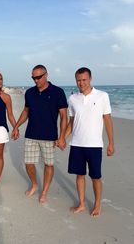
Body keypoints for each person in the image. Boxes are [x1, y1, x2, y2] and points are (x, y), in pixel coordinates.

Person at [12, 65, 68, 204]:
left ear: (46, 75)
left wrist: (61, 137)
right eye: (33, 78)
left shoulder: (58, 92)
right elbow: (26, 111)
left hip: (49, 136)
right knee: (29, 163)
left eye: (38, 77)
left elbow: (63, 116)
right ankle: (35, 184)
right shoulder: (30, 92)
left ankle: (44, 191)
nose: (36, 80)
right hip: (31, 133)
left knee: (48, 164)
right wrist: (16, 126)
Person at [65, 67, 114, 216]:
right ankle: (81, 204)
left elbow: (107, 119)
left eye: (84, 80)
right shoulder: (73, 98)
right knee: (79, 175)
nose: (81, 83)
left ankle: (97, 204)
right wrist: (62, 138)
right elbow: (72, 122)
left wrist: (111, 143)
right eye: (78, 80)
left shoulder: (102, 96)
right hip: (77, 144)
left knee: (95, 177)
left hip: (94, 145)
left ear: (90, 79)